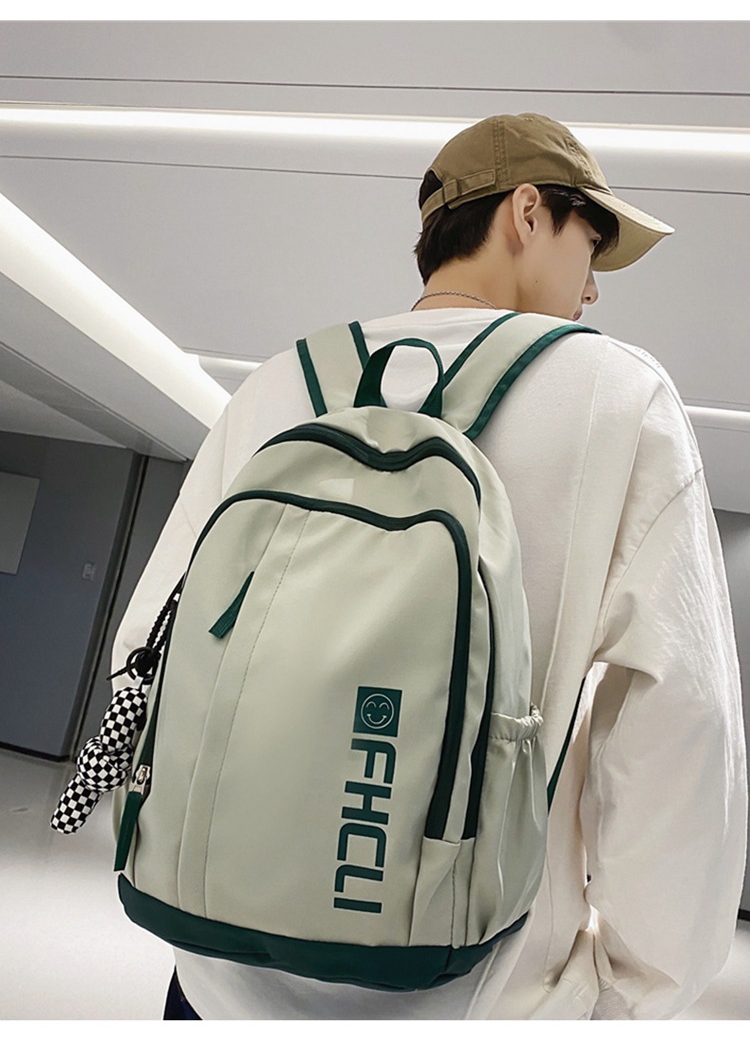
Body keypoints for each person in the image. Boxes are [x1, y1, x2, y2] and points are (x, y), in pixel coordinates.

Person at [112, 113, 747, 1020]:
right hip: (479, 994)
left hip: (213, 974)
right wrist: (629, 997)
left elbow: (148, 649)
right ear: (528, 212)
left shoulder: (279, 382)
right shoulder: (621, 398)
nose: (593, 287)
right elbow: (682, 730)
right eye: (592, 242)